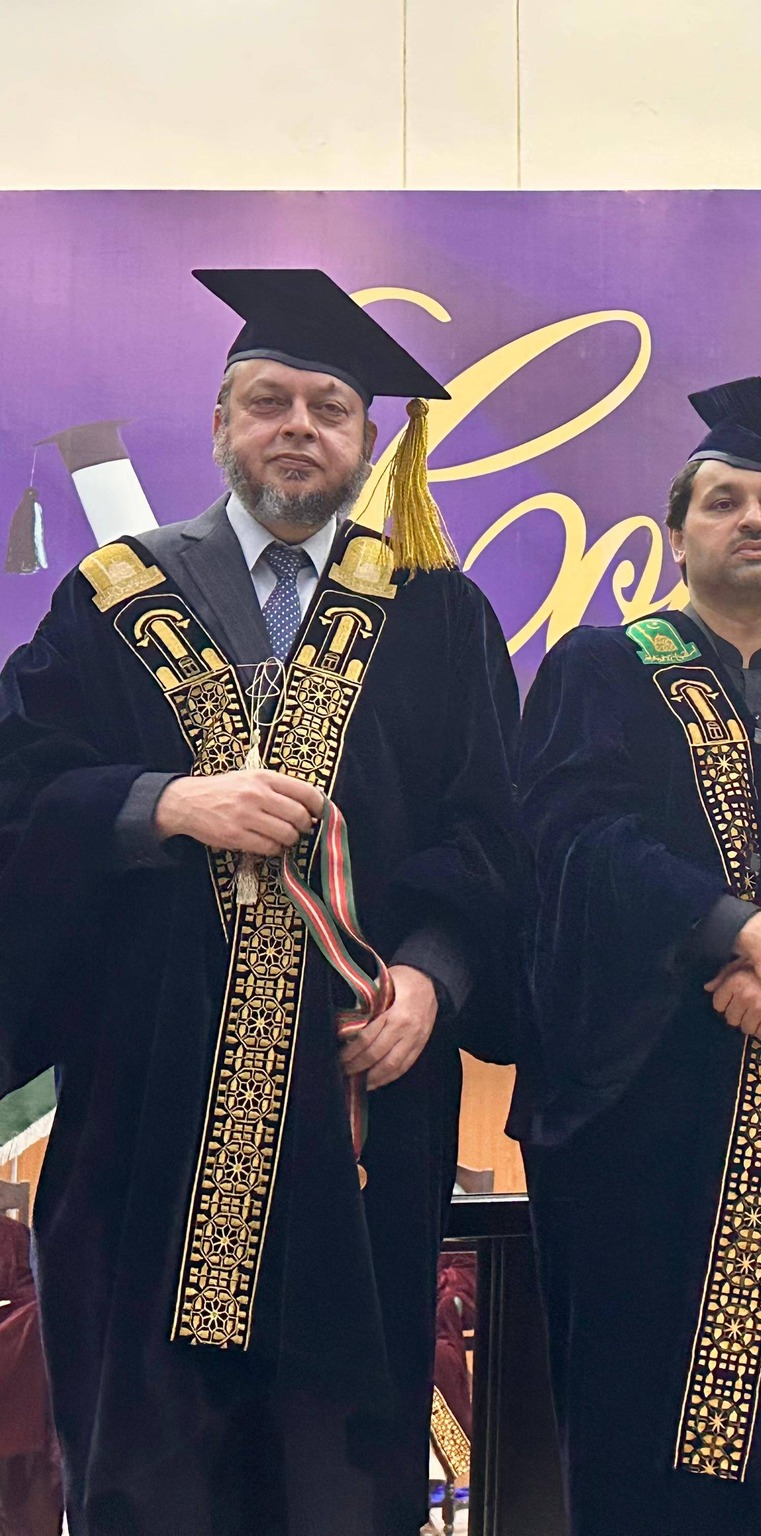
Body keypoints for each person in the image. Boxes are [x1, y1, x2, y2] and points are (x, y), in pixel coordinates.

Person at [0, 269, 526, 1534]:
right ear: (221, 423)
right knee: (152, 1463)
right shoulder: (114, 597)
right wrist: (163, 804)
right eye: (270, 401)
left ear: (367, 442)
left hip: (362, 1101)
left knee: (342, 1462)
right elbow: (21, 786)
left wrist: (433, 980)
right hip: (152, 1100)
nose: (299, 427)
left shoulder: (437, 614)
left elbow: (493, 834)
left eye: (329, 409)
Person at [515, 377, 761, 1535]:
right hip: (651, 1109)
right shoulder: (601, 668)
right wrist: (736, 935)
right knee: (643, 1415)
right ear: (674, 533)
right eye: (723, 500)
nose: (752, 519)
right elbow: (573, 840)